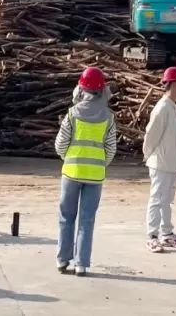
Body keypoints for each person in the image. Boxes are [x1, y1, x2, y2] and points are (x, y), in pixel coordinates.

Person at [54, 66, 118, 277]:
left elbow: (60, 144)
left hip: (71, 173)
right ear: (103, 90)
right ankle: (81, 264)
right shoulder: (108, 117)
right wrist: (100, 163)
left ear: (80, 89)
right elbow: (111, 149)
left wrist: (69, 158)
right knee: (87, 220)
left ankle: (63, 260)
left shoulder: (72, 114)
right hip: (95, 175)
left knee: (66, 217)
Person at [142, 66, 176, 253]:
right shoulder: (162, 108)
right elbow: (151, 135)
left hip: (171, 163)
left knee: (167, 200)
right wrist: (148, 155)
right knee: (157, 198)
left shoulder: (174, 107)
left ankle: (166, 233)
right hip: (160, 162)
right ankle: (152, 236)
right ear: (174, 83)